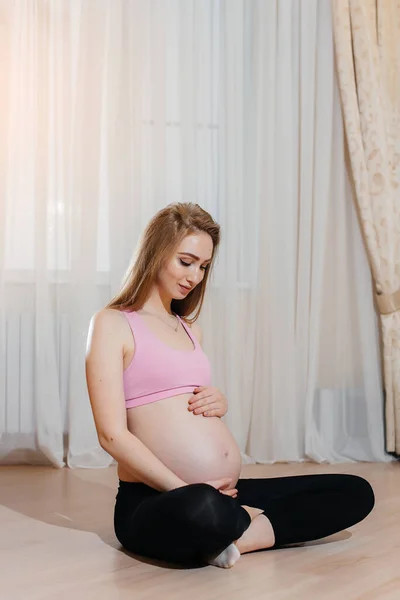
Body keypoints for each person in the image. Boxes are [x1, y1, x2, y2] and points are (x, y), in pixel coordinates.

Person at [85, 202, 375, 569]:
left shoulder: (191, 329)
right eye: (186, 261)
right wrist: (187, 489)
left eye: (204, 267)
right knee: (202, 508)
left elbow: (181, 399)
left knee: (354, 491)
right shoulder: (112, 323)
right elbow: (111, 435)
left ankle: (237, 538)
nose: (195, 276)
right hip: (159, 498)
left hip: (226, 493)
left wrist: (217, 402)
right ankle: (242, 523)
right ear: (156, 253)